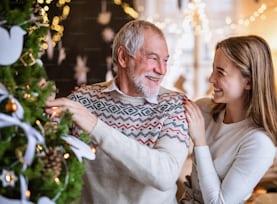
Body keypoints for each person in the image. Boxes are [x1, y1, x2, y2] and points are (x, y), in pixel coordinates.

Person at [45, 20, 190, 204]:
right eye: (153, 58)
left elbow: (165, 176)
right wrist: (40, 104)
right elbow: (45, 149)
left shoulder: (175, 105)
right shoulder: (83, 98)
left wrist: (95, 126)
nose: (162, 70)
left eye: (165, 60)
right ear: (123, 57)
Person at [179, 35, 277, 204]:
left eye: (220, 72)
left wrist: (200, 141)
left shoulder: (259, 143)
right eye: (213, 69)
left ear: (248, 82)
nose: (211, 79)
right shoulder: (205, 109)